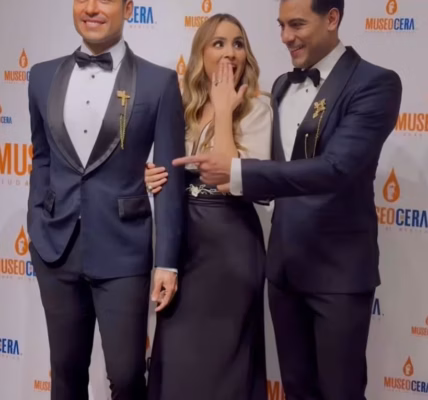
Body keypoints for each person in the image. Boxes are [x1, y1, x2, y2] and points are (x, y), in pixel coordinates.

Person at [173, 0, 402, 399]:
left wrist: (239, 173)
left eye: (296, 25)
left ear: (332, 19)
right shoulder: (280, 86)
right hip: (283, 269)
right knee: (297, 391)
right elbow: (274, 178)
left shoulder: (375, 82)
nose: (285, 37)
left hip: (339, 273)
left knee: (341, 392)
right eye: (281, 26)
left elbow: (336, 168)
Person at [27, 0, 185, 399]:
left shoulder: (158, 82)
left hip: (124, 248)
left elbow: (170, 178)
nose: (92, 8)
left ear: (128, 8)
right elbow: (41, 158)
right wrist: (37, 221)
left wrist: (167, 261)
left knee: (128, 377)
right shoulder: (41, 76)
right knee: (65, 375)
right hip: (56, 248)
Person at [145, 14, 272, 400]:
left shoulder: (257, 107)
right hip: (183, 245)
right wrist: (152, 178)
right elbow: (171, 174)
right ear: (202, 51)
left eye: (238, 43)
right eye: (219, 43)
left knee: (224, 367)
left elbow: (231, 179)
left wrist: (224, 110)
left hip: (231, 247)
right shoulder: (182, 107)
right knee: (178, 364)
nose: (230, 52)